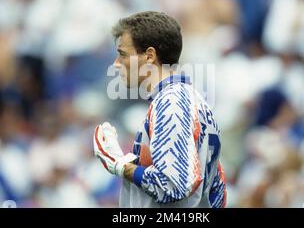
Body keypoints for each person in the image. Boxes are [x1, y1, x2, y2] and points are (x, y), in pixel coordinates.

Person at [92, 11, 226, 207]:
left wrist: (118, 164)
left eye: (123, 55)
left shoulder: (171, 102)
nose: (116, 63)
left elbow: (173, 185)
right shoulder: (186, 99)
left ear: (149, 56)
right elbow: (218, 190)